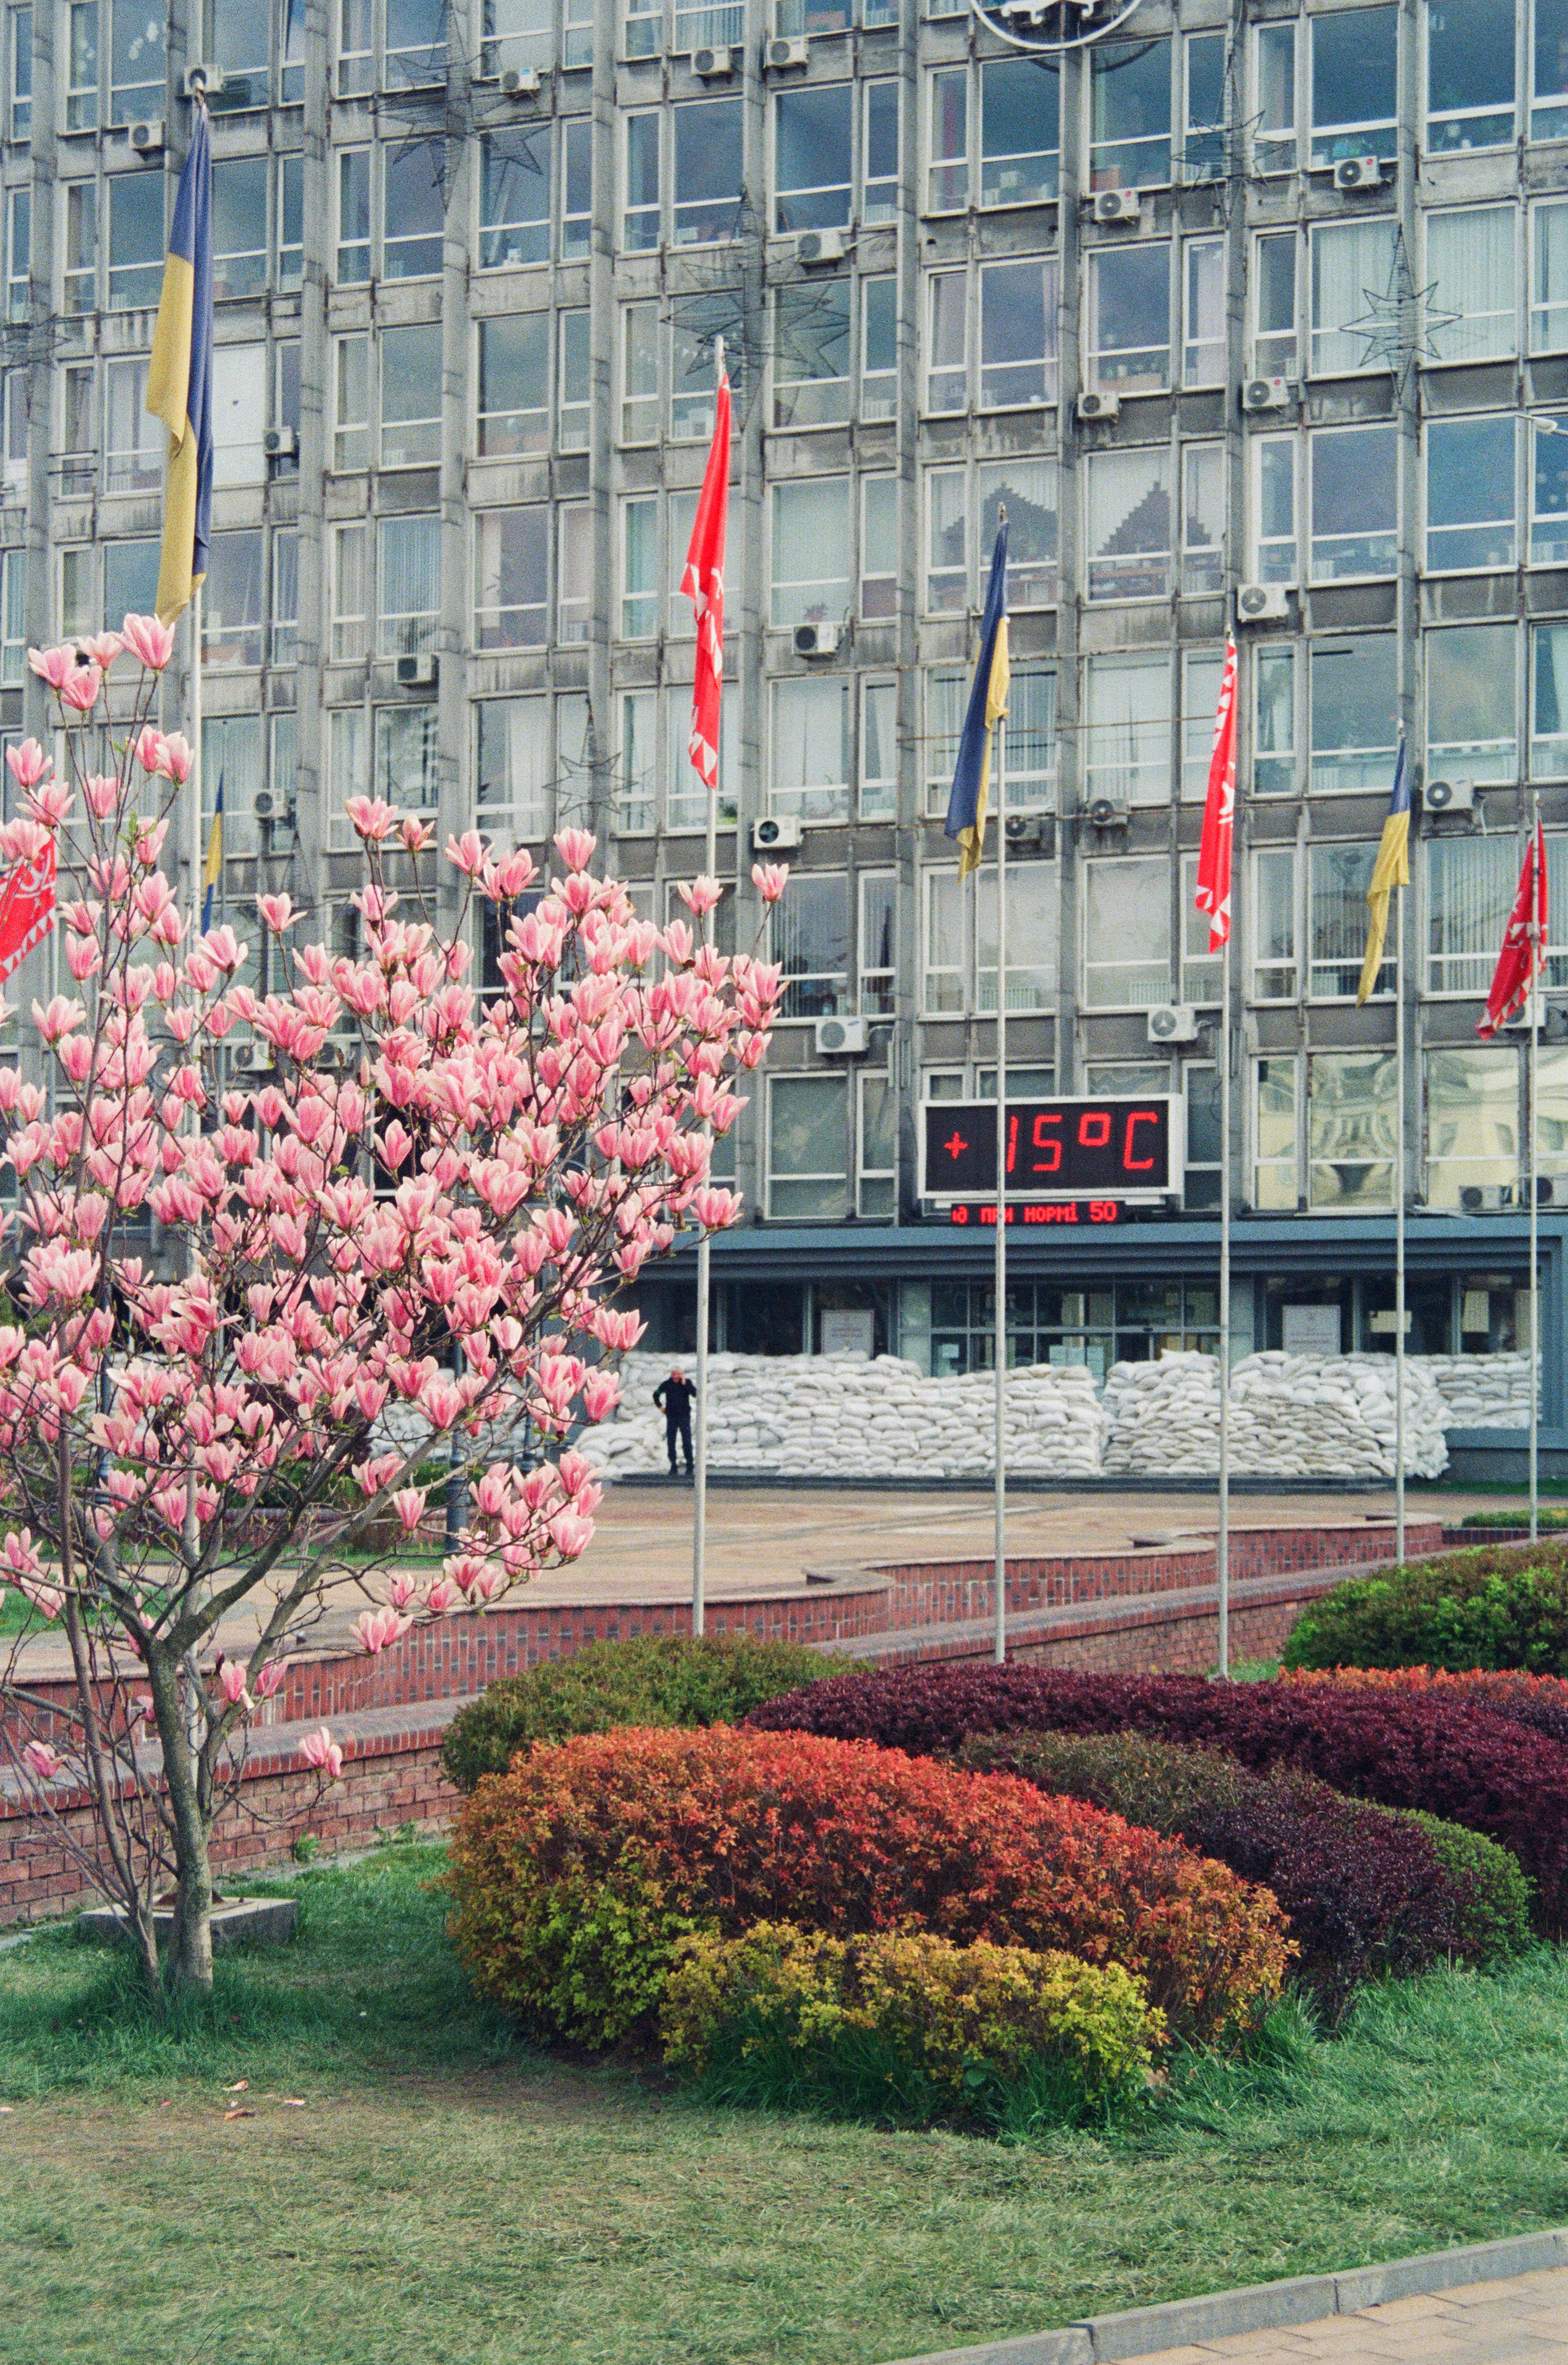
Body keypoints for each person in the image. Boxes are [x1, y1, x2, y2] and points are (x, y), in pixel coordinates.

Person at [653, 1366, 696, 1478]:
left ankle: (690, 1465)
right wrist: (660, 1407)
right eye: (674, 1375)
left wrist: (685, 1383)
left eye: (678, 1375)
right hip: (671, 1416)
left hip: (684, 1416)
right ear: (671, 1375)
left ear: (682, 1375)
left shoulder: (687, 1383)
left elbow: (695, 1394)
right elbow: (656, 1394)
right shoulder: (667, 1384)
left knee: (687, 1440)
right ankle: (673, 1464)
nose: (676, 1377)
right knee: (671, 1440)